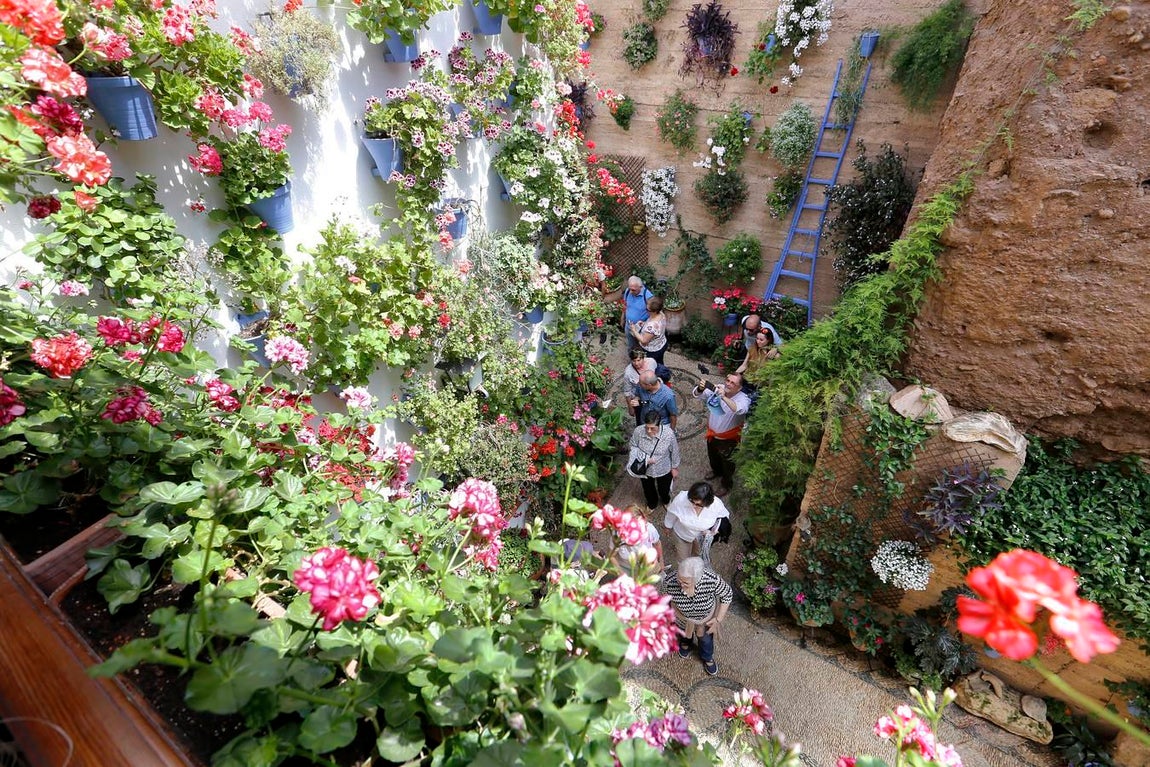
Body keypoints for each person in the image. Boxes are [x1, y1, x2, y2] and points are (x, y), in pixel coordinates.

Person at [660, 556, 732, 676]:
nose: (680, 584)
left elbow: (727, 594)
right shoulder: (669, 581)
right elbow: (663, 598)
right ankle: (686, 643)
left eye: (686, 583)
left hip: (705, 620)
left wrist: (718, 619)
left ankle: (707, 657)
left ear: (697, 579)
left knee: (705, 640)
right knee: (683, 634)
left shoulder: (712, 580)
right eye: (679, 579)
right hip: (682, 619)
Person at [692, 373, 751, 497]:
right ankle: (716, 471)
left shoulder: (744, 399)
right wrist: (701, 388)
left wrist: (723, 397)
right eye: (727, 380)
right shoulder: (719, 388)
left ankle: (726, 484)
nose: (728, 384)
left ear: (740, 388)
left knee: (728, 463)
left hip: (728, 440)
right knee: (713, 456)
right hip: (712, 434)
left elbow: (739, 409)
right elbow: (697, 394)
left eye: (732, 383)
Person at [627, 410, 681, 513]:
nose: (649, 431)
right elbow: (632, 446)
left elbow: (674, 451)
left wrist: (674, 467)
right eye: (647, 427)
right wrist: (645, 458)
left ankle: (666, 500)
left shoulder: (668, 434)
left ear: (659, 425)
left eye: (652, 428)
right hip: (645, 469)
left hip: (664, 468)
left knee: (664, 489)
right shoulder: (638, 431)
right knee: (648, 489)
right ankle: (652, 503)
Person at [663, 481, 730, 562]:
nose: (694, 505)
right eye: (692, 501)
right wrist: (668, 526)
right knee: (683, 559)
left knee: (698, 554)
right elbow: (671, 513)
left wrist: (715, 531)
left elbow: (724, 517)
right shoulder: (680, 499)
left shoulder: (716, 504)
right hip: (682, 535)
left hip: (701, 538)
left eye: (698, 504)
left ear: (707, 503)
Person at [611, 503, 664, 573]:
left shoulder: (650, 530)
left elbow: (657, 543)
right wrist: (622, 574)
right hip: (628, 568)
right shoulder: (617, 536)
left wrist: (661, 560)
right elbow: (612, 556)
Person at [629, 296, 668, 366]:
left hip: (652, 351)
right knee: (659, 362)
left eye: (647, 309)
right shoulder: (661, 314)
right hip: (661, 344)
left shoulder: (652, 326)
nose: (646, 310)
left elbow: (644, 341)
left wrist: (634, 330)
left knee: (651, 366)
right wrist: (645, 324)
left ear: (654, 311)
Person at [623, 348, 657, 425]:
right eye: (634, 361)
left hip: (653, 395)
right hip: (639, 398)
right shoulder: (628, 373)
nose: (636, 363)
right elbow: (627, 391)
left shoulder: (651, 362)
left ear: (643, 357)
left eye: (638, 360)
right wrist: (630, 407)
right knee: (640, 418)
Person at [621, 276, 653, 350]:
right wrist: (622, 317)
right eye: (630, 289)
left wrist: (646, 324)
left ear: (640, 287)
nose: (631, 292)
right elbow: (625, 305)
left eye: (633, 290)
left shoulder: (648, 297)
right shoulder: (628, 291)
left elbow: (654, 314)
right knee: (631, 345)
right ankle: (631, 356)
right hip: (629, 326)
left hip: (641, 329)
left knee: (641, 347)